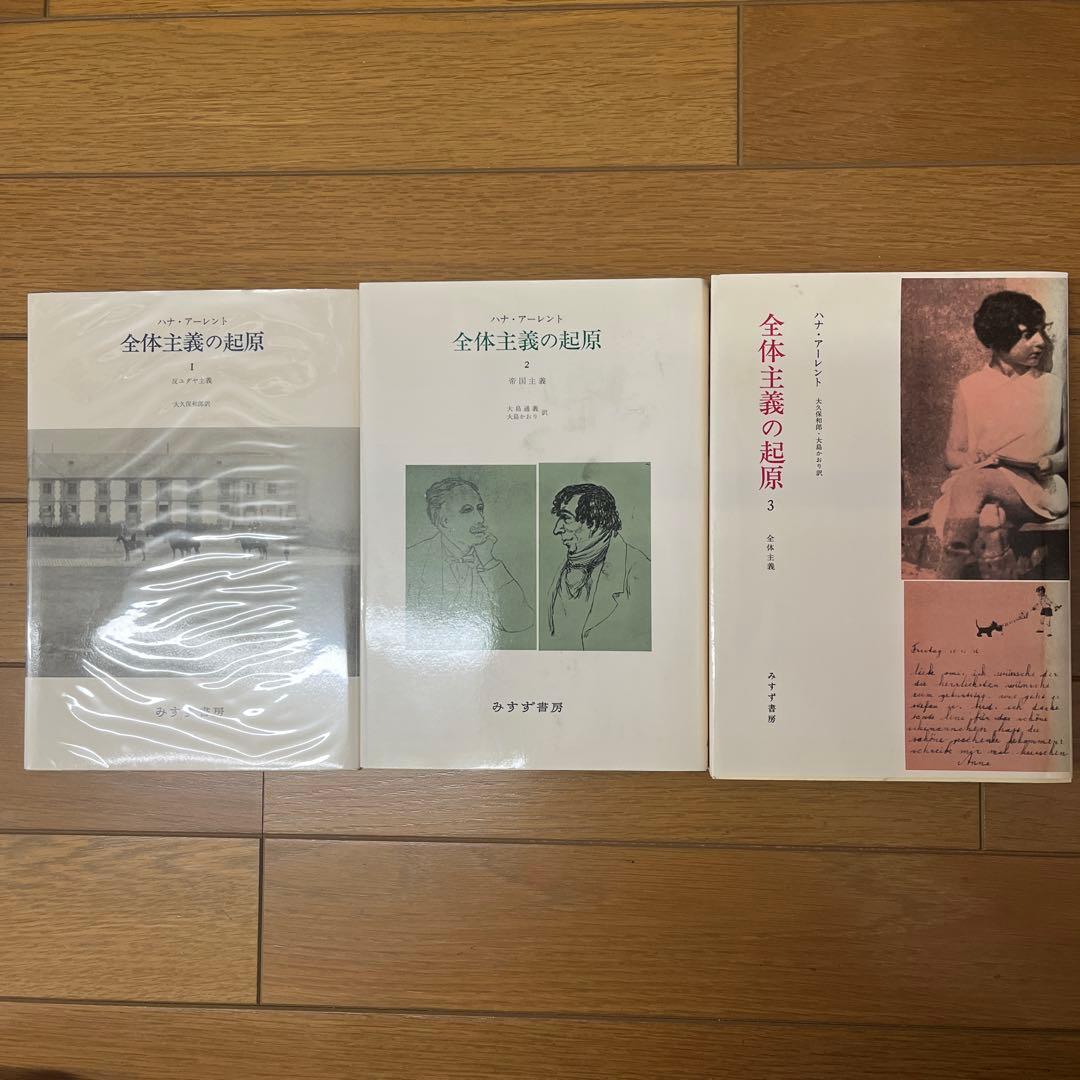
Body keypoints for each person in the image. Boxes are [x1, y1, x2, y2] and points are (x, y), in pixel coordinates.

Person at [932, 290, 1067, 578]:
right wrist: (970, 459)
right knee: (989, 518)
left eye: (1041, 332)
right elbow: (952, 454)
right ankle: (998, 582)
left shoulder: (1053, 387)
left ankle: (945, 577)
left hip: (1035, 489)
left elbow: (1069, 451)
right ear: (999, 339)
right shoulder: (970, 387)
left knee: (973, 485)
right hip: (982, 487)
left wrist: (1051, 462)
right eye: (1027, 335)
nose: (1040, 342)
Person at [407, 477, 533, 647]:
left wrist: (489, 561)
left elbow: (520, 622)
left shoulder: (490, 562)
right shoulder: (412, 559)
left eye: (480, 509)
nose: (480, 518)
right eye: (467, 510)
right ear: (445, 521)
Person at [546, 482, 650, 650]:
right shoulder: (558, 569)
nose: (557, 529)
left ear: (594, 523)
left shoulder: (640, 571)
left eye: (566, 518)